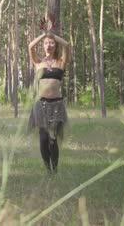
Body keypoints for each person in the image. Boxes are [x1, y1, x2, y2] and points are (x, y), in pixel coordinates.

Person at [28, 18, 71, 174]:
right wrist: (43, 35)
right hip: (41, 104)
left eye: (51, 42)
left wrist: (52, 34)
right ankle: (48, 170)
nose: (49, 44)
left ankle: (55, 170)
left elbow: (66, 45)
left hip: (57, 104)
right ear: (43, 45)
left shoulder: (61, 62)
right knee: (43, 138)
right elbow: (30, 46)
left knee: (53, 140)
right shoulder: (38, 62)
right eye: (46, 43)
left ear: (55, 44)